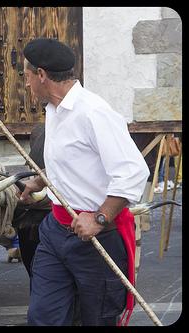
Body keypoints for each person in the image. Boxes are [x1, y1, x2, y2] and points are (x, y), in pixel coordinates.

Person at [18, 38, 150, 326]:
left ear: (41, 75)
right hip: (54, 232)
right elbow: (77, 163)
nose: (26, 84)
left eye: (27, 76)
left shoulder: (94, 112)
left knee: (97, 320)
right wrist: (42, 181)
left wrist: (100, 218)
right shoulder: (53, 110)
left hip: (96, 239)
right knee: (42, 317)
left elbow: (133, 171)